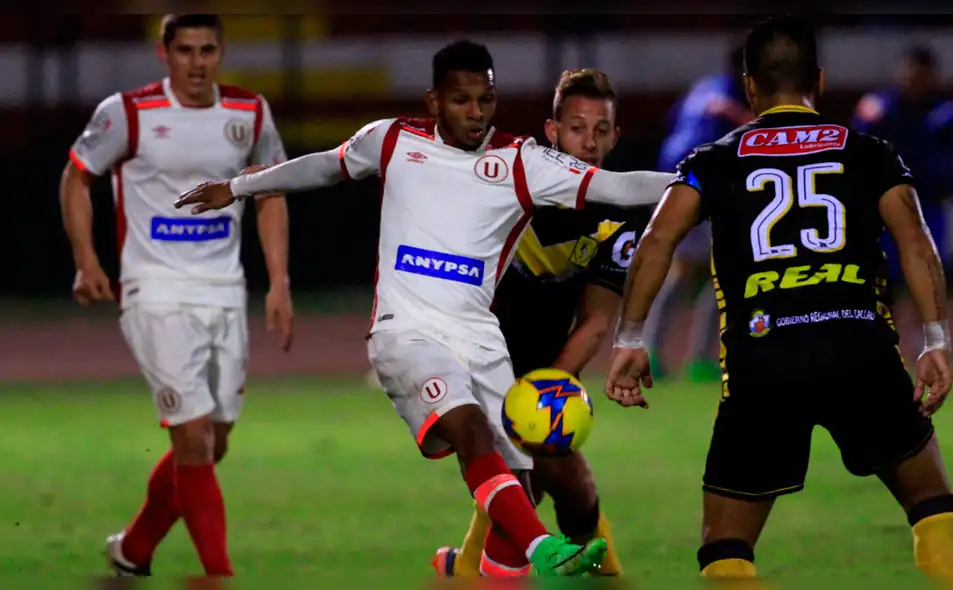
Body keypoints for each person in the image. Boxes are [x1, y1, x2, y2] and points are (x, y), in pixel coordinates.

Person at [174, 40, 673, 577]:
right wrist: (237, 187)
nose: (476, 112)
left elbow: (621, 187)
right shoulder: (391, 140)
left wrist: (703, 182)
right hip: (406, 333)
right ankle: (545, 549)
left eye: (486, 99)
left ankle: (499, 573)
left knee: (521, 482)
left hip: (480, 338)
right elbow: (322, 167)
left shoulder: (522, 162)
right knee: (470, 431)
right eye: (462, 100)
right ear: (434, 101)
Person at [605, 16, 953, 578]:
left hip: (762, 362)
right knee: (932, 500)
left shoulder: (713, 161)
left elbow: (656, 240)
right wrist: (937, 339)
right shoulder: (869, 152)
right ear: (819, 81)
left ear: (749, 86)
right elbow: (916, 243)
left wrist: (630, 339)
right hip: (861, 351)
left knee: (725, 541)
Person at [59, 14, 294, 578]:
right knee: (190, 436)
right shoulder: (129, 112)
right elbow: (76, 176)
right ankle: (219, 574)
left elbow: (270, 194)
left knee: (213, 443)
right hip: (153, 288)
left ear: (221, 52)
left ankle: (134, 550)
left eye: (207, 50)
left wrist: (280, 281)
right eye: (184, 50)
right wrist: (87, 259)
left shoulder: (249, 113)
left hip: (224, 291)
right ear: (164, 54)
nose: (197, 62)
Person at [432, 68, 640, 578]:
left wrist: (545, 388)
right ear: (552, 132)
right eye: (576, 128)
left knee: (561, 478)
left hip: (545, 362)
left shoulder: (618, 214)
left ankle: (476, 566)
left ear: (615, 136)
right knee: (523, 473)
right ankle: (504, 568)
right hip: (477, 353)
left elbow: (595, 320)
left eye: (600, 130)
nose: (588, 142)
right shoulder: (510, 180)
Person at [643, 46, 754, 382]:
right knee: (711, 276)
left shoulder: (702, 89)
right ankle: (693, 360)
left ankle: (659, 355)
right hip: (699, 189)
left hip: (673, 183)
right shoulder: (729, 100)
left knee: (691, 276)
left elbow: (671, 123)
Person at [852, 46, 953, 356]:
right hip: (885, 208)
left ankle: (929, 346)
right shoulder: (879, 108)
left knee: (926, 280)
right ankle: (882, 347)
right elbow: (857, 154)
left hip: (928, 205)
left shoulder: (944, 113)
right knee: (882, 282)